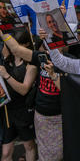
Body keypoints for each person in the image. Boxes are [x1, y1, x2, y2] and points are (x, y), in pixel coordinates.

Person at [0, 32, 37, 161]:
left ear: (26, 44)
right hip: (8, 111)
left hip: (24, 111)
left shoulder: (31, 65)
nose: (13, 47)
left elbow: (24, 89)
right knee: (5, 153)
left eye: (17, 44)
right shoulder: (7, 58)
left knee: (29, 147)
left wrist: (6, 76)